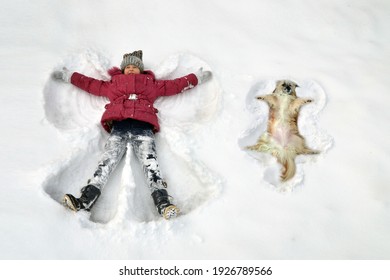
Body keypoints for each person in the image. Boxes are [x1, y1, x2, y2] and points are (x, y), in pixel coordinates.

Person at [52, 50, 212, 219]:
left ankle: (163, 204)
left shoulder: (150, 84)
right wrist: (69, 76)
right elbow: (91, 84)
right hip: (119, 127)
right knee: (106, 163)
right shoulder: (113, 84)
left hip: (144, 128)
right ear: (122, 69)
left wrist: (196, 78)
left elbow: (175, 85)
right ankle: (84, 202)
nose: (130, 69)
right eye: (127, 66)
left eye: (134, 66)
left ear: (140, 69)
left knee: (151, 165)